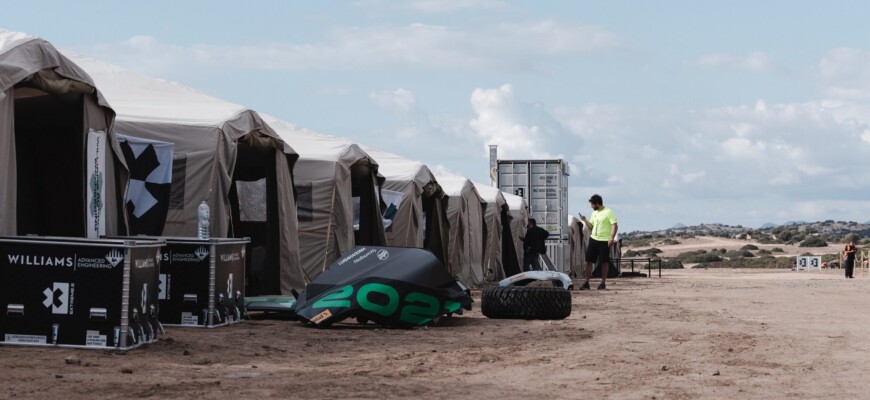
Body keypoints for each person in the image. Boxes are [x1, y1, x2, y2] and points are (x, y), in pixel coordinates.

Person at [579, 194, 618, 290]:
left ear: (597, 203)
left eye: (592, 204)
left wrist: (611, 238)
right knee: (588, 261)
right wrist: (585, 220)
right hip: (594, 239)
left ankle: (603, 283)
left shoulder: (608, 212)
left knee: (604, 262)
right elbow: (592, 226)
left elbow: (614, 225)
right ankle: (586, 283)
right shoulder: (594, 213)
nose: (591, 206)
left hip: (604, 240)